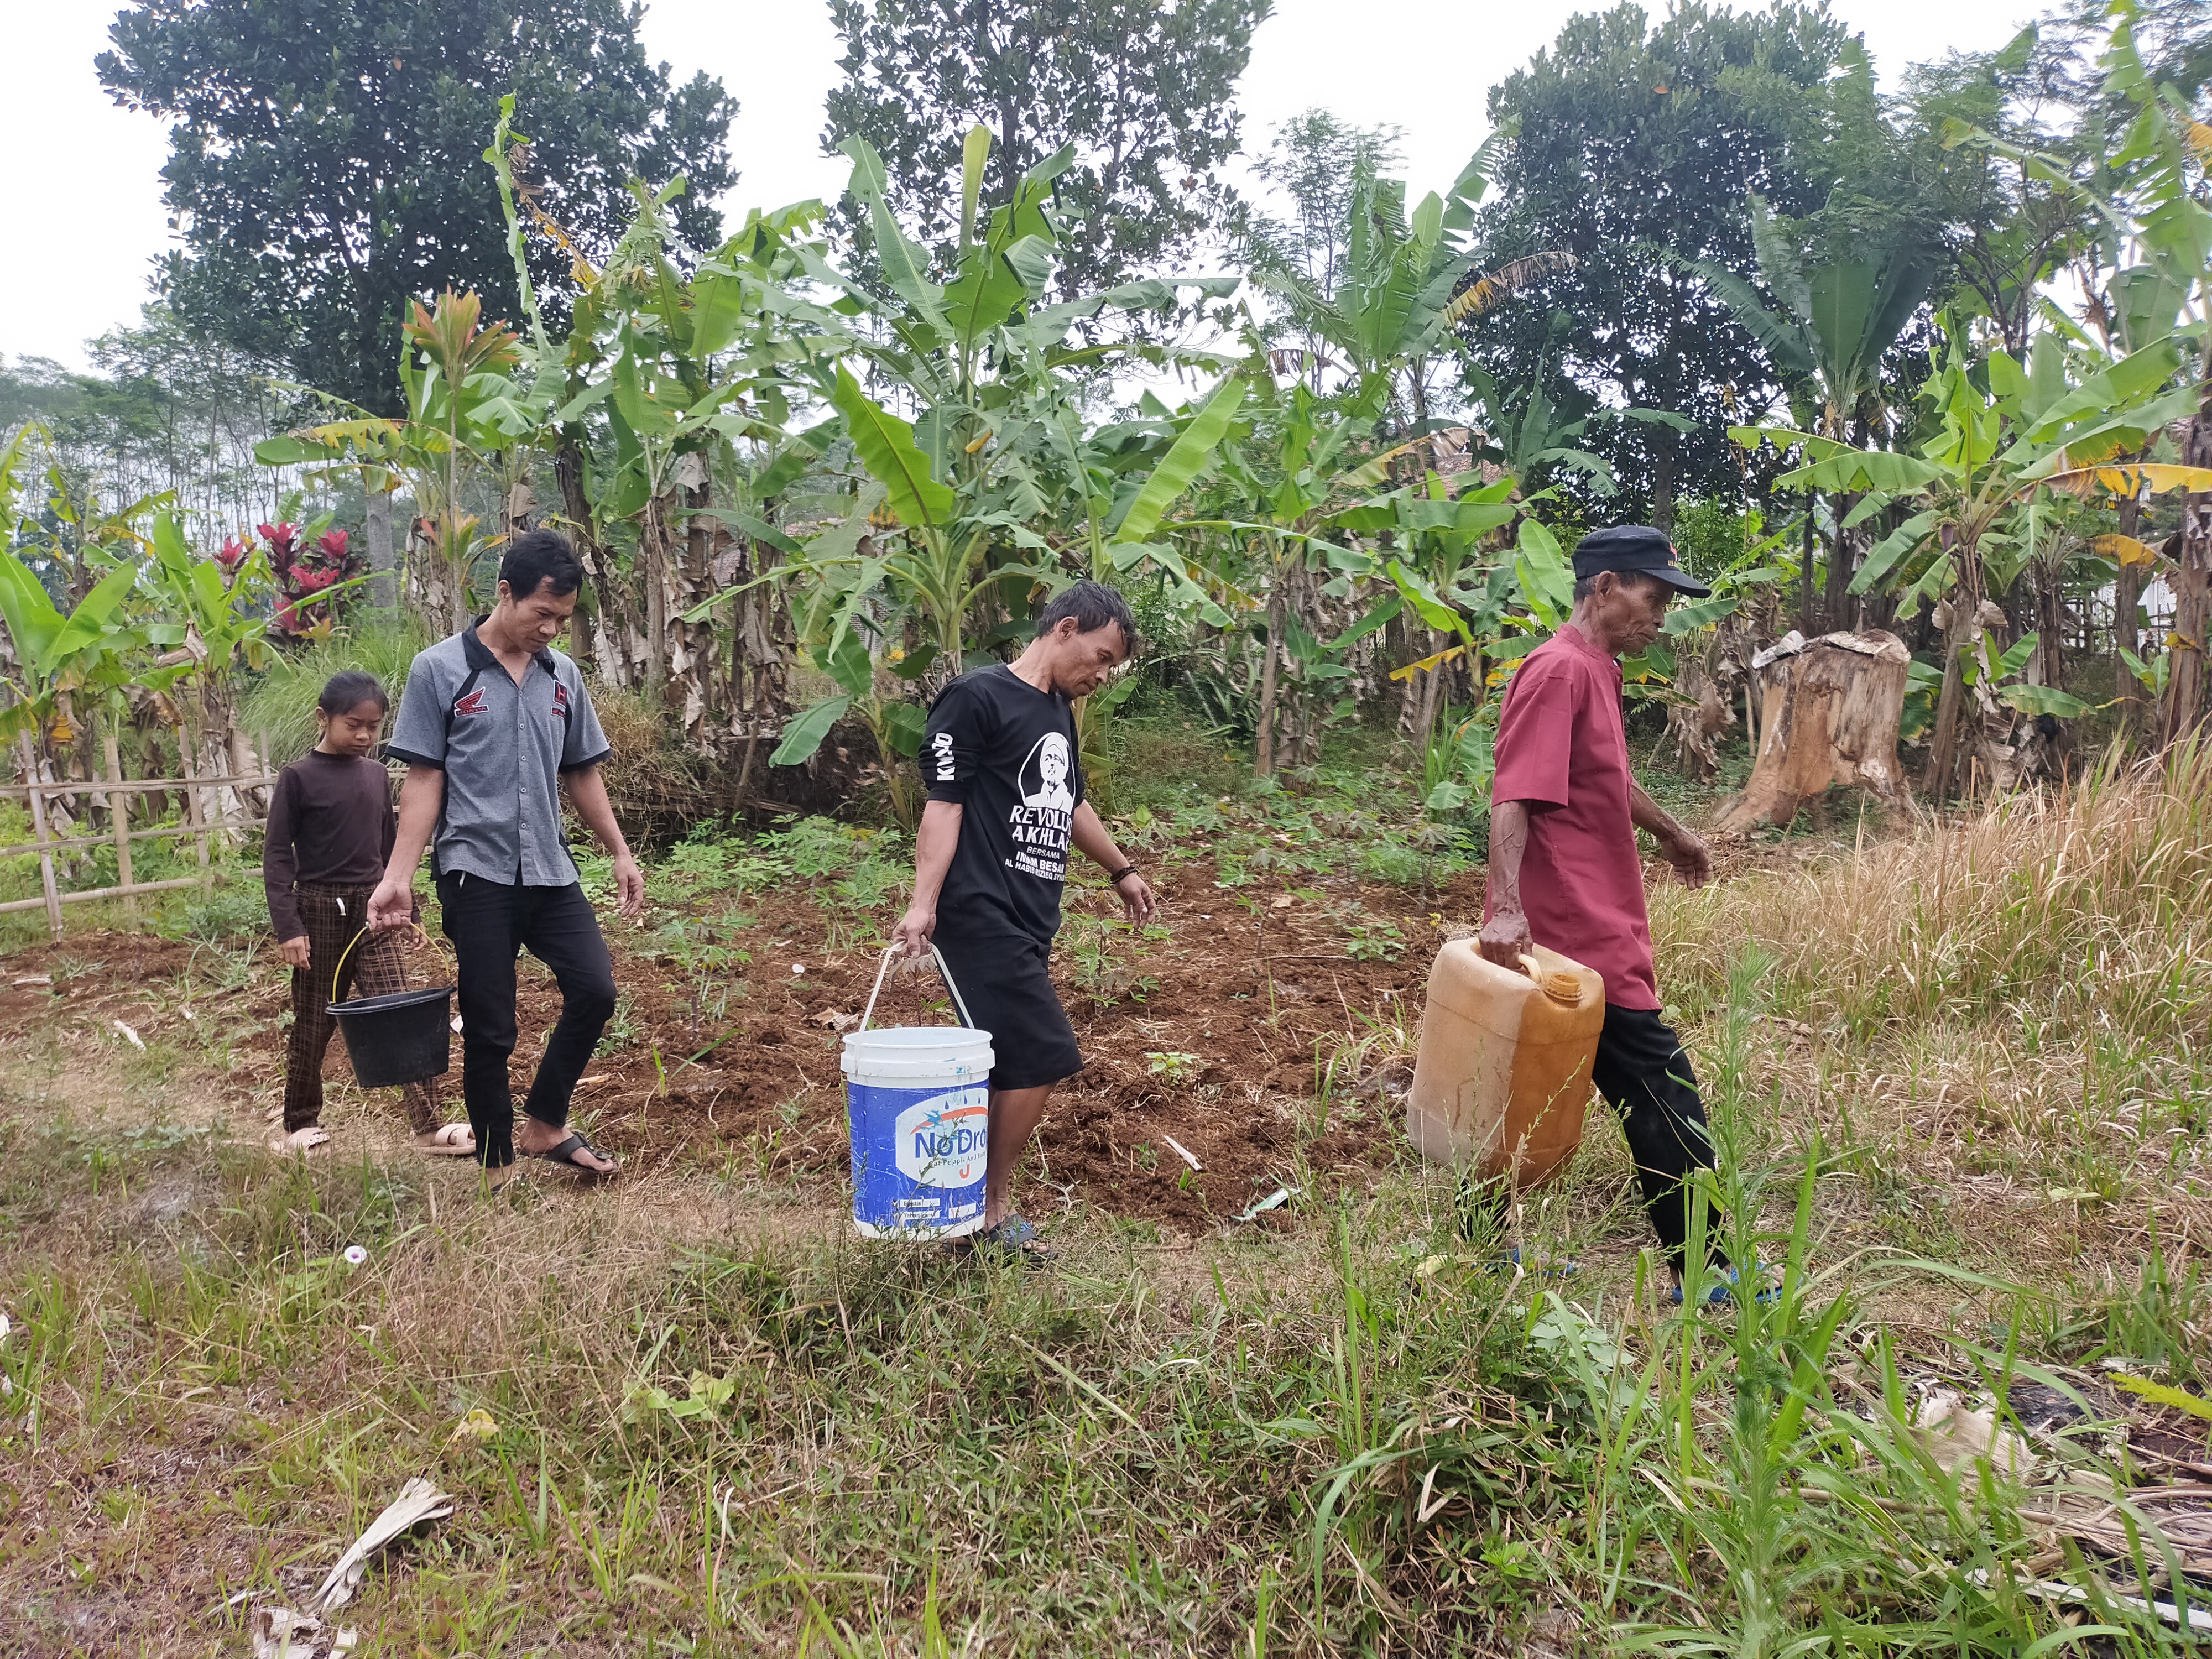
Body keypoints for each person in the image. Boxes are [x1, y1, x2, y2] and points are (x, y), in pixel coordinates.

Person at [1479, 524, 1760, 1306]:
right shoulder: (1558, 670)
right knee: (1663, 1092)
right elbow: (1514, 791)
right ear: (1604, 587)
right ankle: (1706, 1273)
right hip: (1574, 935)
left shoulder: (1596, 670)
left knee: (1525, 1094)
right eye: (1654, 595)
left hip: (1592, 919)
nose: (1662, 614)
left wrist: (1672, 832)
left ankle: (1487, 1248)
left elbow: (1599, 777)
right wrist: (1506, 912)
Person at [367, 529, 646, 1189]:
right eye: (540, 614)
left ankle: (546, 1121)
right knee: (492, 1025)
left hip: (550, 869)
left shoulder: (563, 676)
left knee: (595, 990)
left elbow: (581, 772)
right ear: (504, 594)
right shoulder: (439, 669)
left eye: (563, 618)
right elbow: (425, 779)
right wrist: (398, 876)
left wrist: (619, 851)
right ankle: (496, 1163)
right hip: (476, 869)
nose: (550, 629)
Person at [894, 581, 1155, 1262]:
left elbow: (1069, 804)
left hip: (1030, 915)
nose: (1099, 675)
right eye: (1098, 657)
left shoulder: (1056, 712)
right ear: (1064, 629)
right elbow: (943, 804)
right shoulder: (976, 697)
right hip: (978, 911)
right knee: (1041, 1051)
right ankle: (984, 1214)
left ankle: (953, 1203)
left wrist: (1121, 871)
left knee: (1002, 1061)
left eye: (1110, 668)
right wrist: (924, 904)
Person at [264, 671, 476, 1157]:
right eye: (353, 725)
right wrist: (288, 927)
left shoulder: (378, 775)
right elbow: (277, 857)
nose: (364, 736)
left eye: (374, 727)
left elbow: (389, 850)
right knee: (314, 1021)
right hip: (317, 909)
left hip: (374, 910)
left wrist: (412, 913)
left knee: (401, 1014)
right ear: (324, 719)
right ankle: (300, 1122)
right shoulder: (297, 778)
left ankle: (428, 1127)